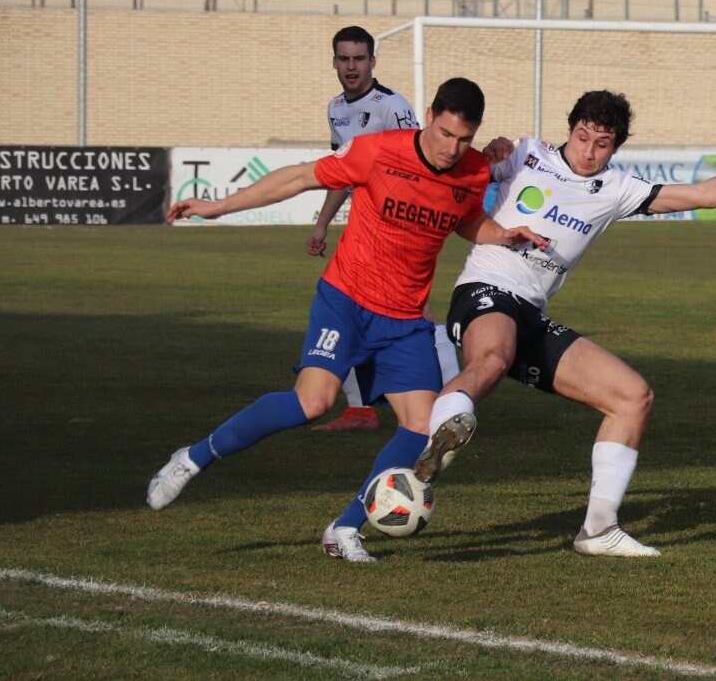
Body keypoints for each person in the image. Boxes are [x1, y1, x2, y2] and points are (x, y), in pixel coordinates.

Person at [146, 78, 547, 564]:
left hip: (404, 319)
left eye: (464, 139)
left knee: (422, 429)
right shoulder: (377, 151)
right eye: (444, 134)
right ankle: (191, 459)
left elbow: (461, 218)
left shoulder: (473, 171)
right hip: (347, 300)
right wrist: (219, 207)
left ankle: (344, 528)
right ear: (429, 115)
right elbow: (298, 177)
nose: (452, 149)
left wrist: (502, 234)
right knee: (313, 402)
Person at [412, 90, 716, 557]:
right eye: (582, 136)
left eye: (601, 143)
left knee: (632, 397)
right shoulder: (525, 155)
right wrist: (489, 152)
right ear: (570, 130)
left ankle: (599, 530)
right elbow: (455, 170)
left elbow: (704, 195)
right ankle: (442, 431)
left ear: (616, 147)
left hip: (531, 313)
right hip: (484, 290)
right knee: (494, 356)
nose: (588, 151)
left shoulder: (619, 188)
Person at [309, 25, 420, 433]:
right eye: (344, 58)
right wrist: (322, 225)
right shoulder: (336, 109)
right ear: (334, 62)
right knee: (355, 305)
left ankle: (444, 404)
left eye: (359, 58)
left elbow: (418, 166)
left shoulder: (393, 106)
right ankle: (364, 409)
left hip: (401, 227)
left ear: (373, 61)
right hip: (364, 225)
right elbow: (342, 174)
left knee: (407, 309)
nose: (351, 66)